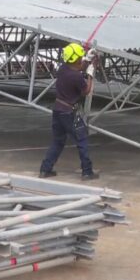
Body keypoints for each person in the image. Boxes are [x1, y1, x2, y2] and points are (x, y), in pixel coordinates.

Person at [39, 43, 99, 181]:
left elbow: (77, 66)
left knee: (57, 141)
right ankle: (87, 172)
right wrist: (90, 74)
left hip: (58, 110)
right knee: (82, 140)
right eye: (80, 57)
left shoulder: (63, 69)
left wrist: (87, 59)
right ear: (76, 59)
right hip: (69, 113)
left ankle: (45, 169)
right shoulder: (76, 77)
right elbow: (86, 91)